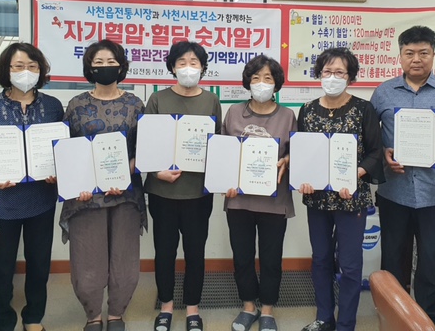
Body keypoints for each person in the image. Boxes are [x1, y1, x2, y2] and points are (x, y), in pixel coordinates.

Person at [370, 25, 435, 323]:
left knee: (431, 259)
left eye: (423, 53)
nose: (416, 59)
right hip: (394, 192)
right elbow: (370, 139)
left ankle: (427, 321)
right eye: (410, 53)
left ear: (433, 55)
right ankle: (395, 318)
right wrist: (384, 155)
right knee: (393, 259)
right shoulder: (384, 92)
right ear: (400, 56)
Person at [0, 42, 63, 331]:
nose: (25, 72)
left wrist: (59, 170)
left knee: (39, 265)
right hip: (0, 202)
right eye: (18, 66)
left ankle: (33, 318)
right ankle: (3, 322)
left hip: (40, 200)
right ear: (6, 70)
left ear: (40, 70)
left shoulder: (53, 106)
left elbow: (62, 148)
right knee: (2, 268)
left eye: (32, 66)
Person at [59, 40, 146, 331]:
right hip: (86, 196)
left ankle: (116, 313)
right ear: (89, 67)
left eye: (111, 62)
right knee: (87, 257)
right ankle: (93, 315)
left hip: (126, 193)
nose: (105, 67)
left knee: (124, 258)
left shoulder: (135, 104)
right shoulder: (76, 105)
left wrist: (124, 173)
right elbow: (66, 151)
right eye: (98, 62)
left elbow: (145, 149)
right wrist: (78, 181)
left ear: (121, 67)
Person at [297, 47, 384, 331]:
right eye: (327, 71)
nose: (332, 77)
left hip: (351, 197)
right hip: (317, 198)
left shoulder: (364, 109)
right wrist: (303, 178)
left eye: (339, 72)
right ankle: (324, 317)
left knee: (349, 264)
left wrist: (356, 174)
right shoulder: (307, 109)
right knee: (321, 259)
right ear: (319, 74)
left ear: (350, 77)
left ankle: (346, 323)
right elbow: (302, 152)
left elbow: (375, 152)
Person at [144, 41, 222, 331]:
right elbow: (147, 143)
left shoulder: (211, 101)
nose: (188, 68)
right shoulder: (157, 99)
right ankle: (165, 305)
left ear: (202, 68)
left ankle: (192, 308)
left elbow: (218, 144)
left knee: (195, 252)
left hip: (197, 192)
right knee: (164, 252)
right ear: (172, 67)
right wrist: (156, 172)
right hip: (162, 191)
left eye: (194, 63)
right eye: (182, 63)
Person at [222, 55, 297, 331]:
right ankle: (248, 306)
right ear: (247, 82)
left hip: (274, 201)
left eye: (268, 78)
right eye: (256, 78)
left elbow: (296, 153)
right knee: (242, 256)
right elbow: (221, 154)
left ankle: (267, 309)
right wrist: (223, 180)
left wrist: (287, 159)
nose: (262, 83)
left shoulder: (287, 116)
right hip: (238, 200)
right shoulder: (233, 113)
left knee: (271, 258)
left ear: (276, 83)